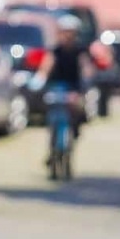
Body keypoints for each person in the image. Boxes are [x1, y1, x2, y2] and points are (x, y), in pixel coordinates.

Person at [32, 13, 94, 147]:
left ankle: (75, 129)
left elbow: (86, 67)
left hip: (74, 88)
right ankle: (52, 143)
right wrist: (39, 78)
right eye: (64, 32)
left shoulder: (80, 51)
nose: (67, 36)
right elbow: (46, 65)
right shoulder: (55, 51)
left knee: (79, 109)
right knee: (51, 112)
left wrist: (86, 81)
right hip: (56, 87)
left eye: (70, 33)